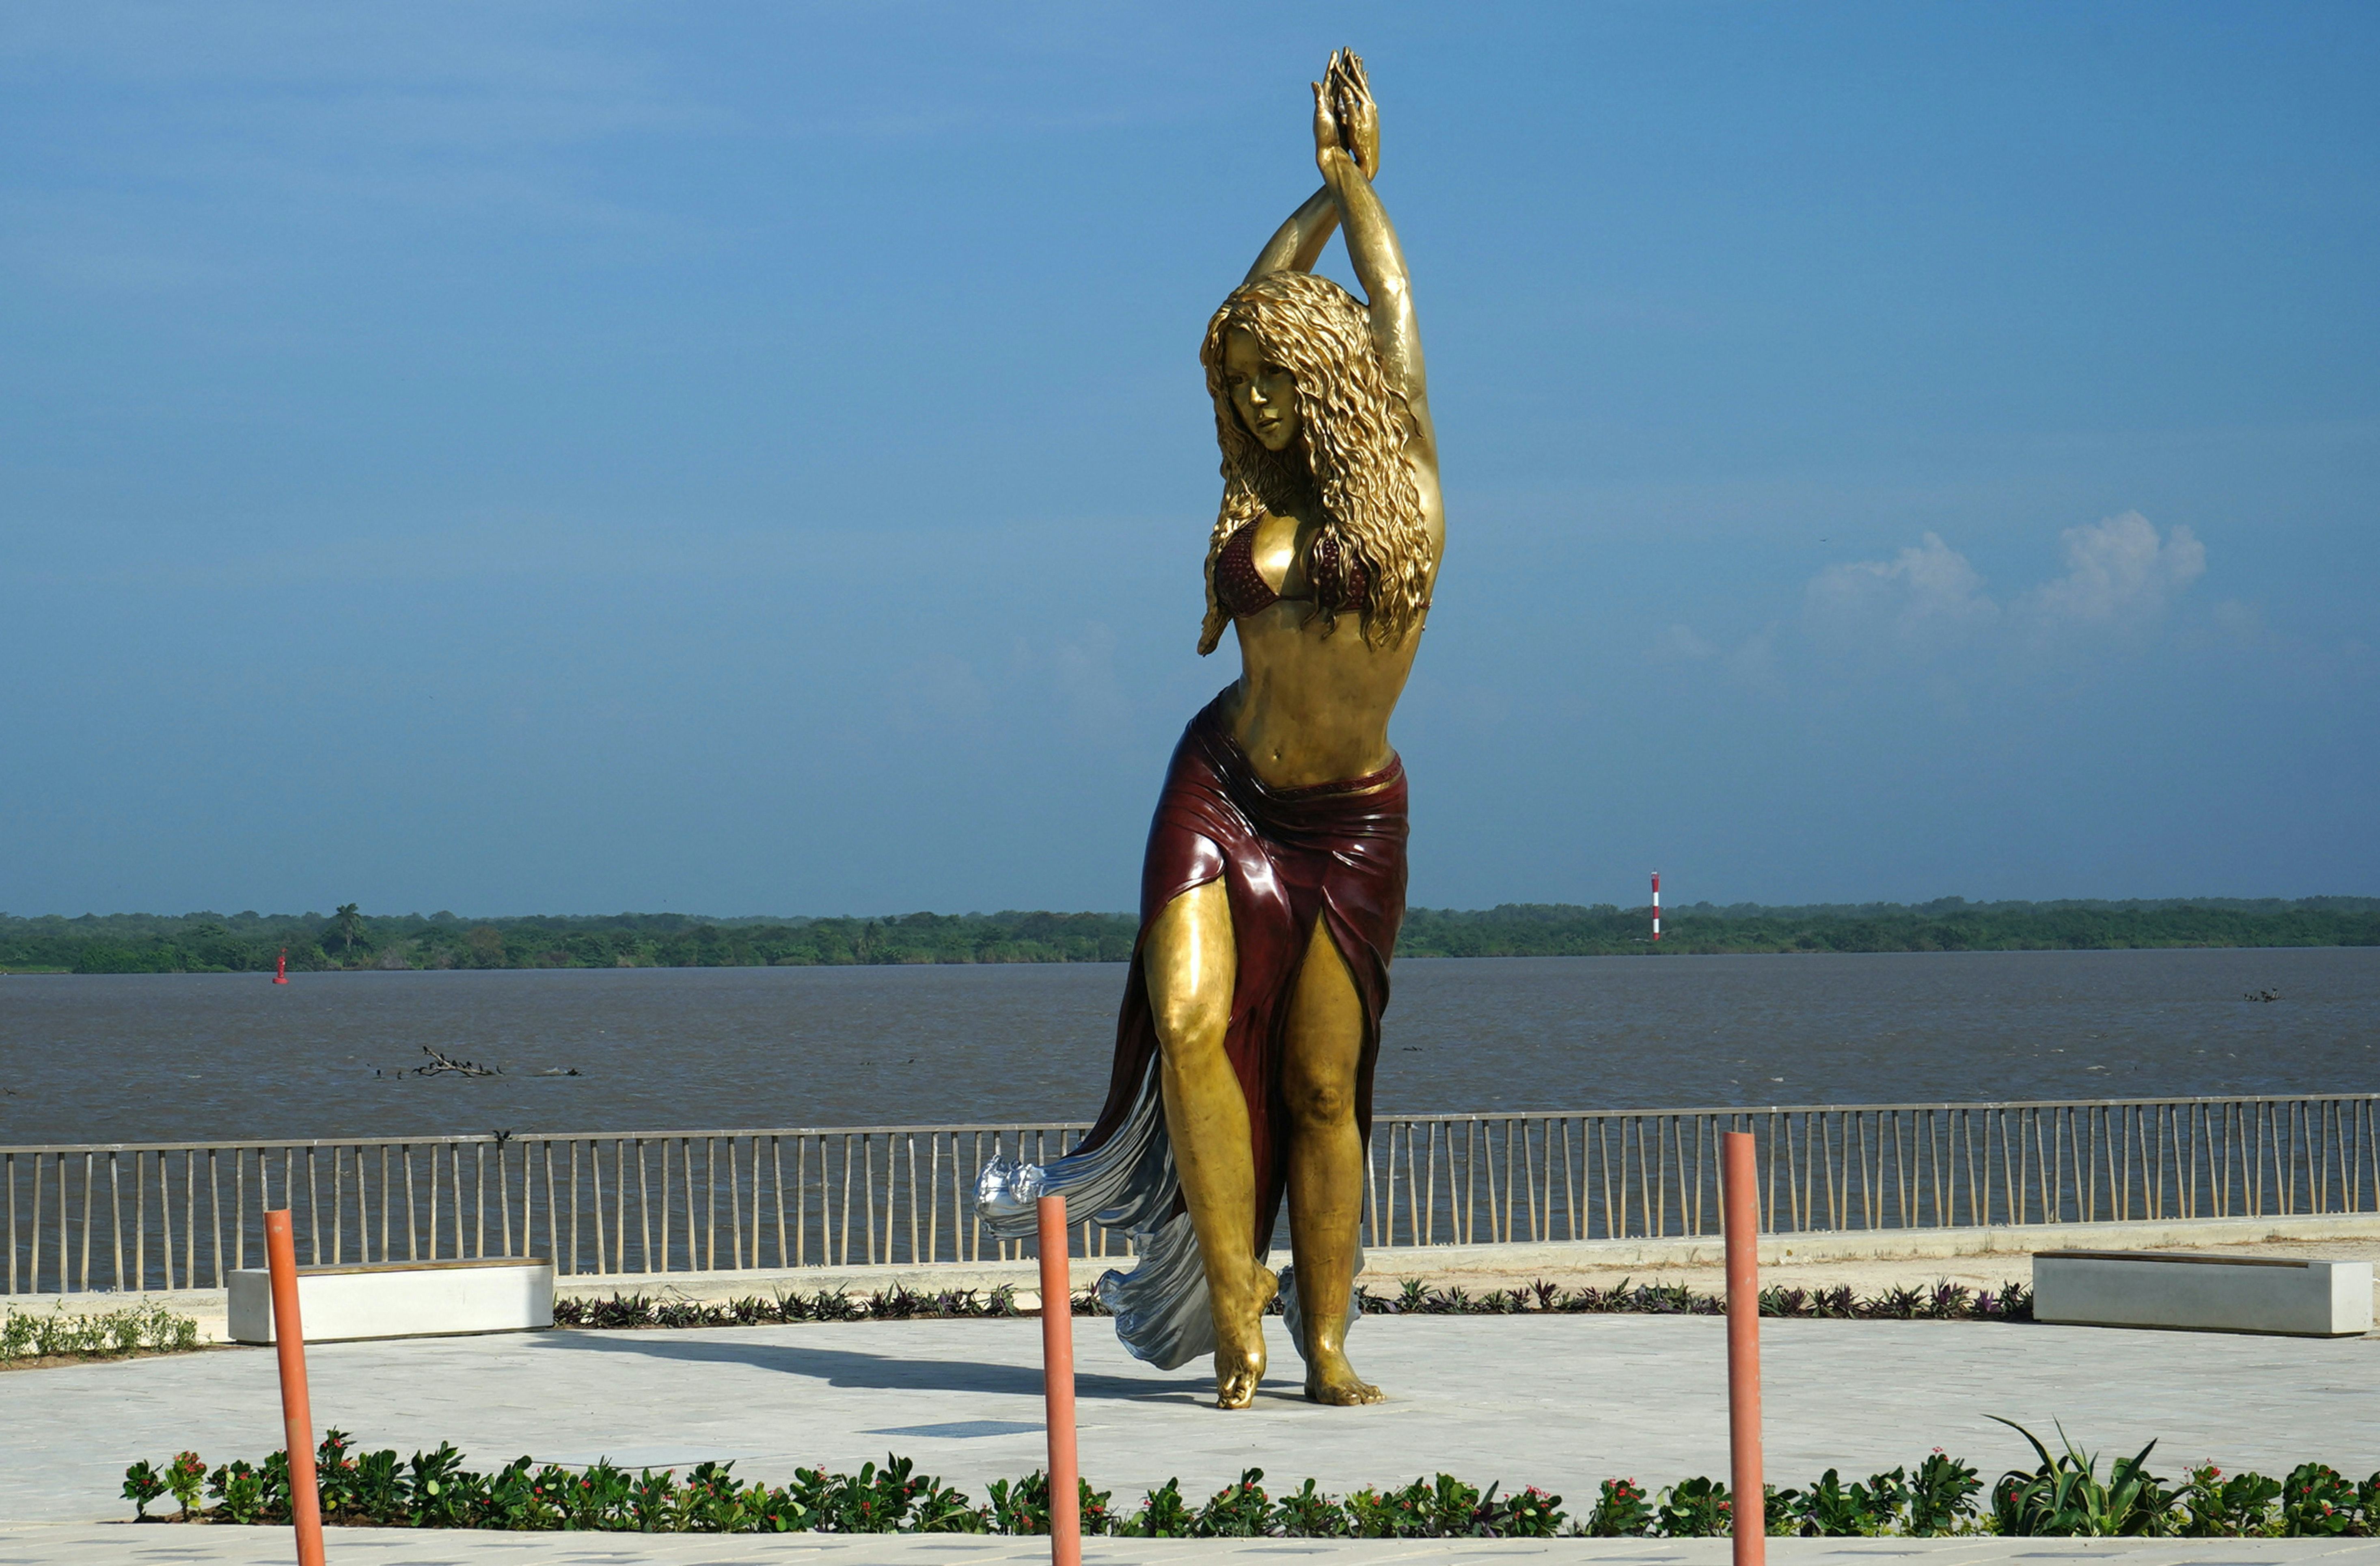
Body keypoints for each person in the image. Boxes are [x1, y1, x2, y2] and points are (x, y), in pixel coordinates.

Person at [980, 51, 1442, 1410]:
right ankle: (1238, 1323)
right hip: (1222, 785)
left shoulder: (1404, 483)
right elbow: (1241, 308)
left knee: (1316, 1089)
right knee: (1187, 1027)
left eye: (1274, 378)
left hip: (1348, 825)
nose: (1252, 402)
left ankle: (1329, 1341)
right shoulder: (1254, 487)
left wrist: (1352, 183)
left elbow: (1397, 310)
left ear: (1333, 376)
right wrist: (1290, 227)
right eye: (1238, 380)